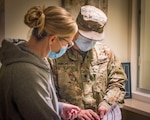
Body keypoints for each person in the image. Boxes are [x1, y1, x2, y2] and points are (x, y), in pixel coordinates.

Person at [0, 5, 81, 120]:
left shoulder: (34, 60)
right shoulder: (26, 72)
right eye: (67, 43)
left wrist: (59, 107)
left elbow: (30, 103)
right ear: (53, 39)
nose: (66, 48)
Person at [49, 5, 127, 120]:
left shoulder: (106, 53)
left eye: (94, 39)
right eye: (86, 37)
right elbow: (49, 95)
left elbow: (118, 83)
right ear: (76, 29)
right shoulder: (57, 54)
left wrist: (107, 103)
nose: (90, 42)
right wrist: (75, 112)